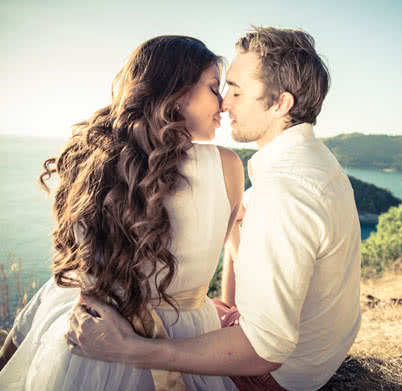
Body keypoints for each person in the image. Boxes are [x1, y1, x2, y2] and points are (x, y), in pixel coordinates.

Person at [67, 26, 362, 391]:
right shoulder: (311, 162)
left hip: (278, 374)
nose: (224, 103)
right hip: (316, 351)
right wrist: (228, 308)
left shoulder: (285, 192)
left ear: (280, 104)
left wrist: (132, 349)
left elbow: (265, 351)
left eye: (236, 91)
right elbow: (245, 243)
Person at [0, 35, 243, 391]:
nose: (221, 103)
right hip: (183, 339)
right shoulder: (227, 167)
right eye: (212, 88)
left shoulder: (93, 159)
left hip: (92, 336)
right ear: (175, 91)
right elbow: (217, 246)